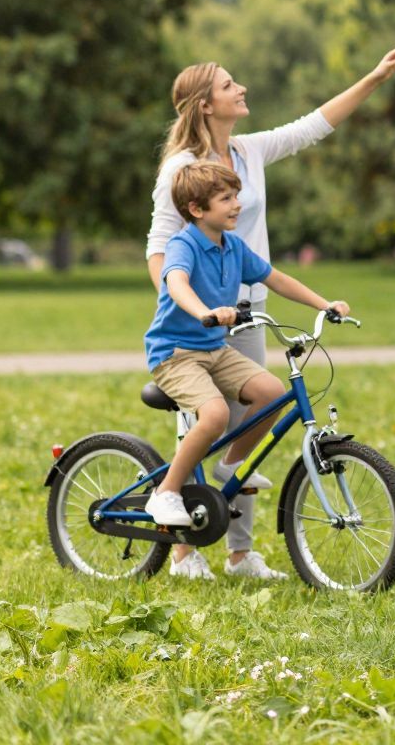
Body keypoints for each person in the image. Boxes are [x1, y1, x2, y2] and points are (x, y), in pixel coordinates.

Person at [146, 41, 395, 579]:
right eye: (228, 84)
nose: (240, 88)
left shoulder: (248, 151)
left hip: (250, 309)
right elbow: (159, 248)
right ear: (205, 104)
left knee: (253, 424)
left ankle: (240, 552)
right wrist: (190, 306)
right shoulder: (183, 168)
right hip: (195, 318)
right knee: (205, 418)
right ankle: (183, 550)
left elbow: (315, 124)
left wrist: (375, 76)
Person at [142, 163, 349, 555]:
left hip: (213, 349)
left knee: (271, 391)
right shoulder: (183, 245)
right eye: (227, 199)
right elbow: (176, 283)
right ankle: (167, 491)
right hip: (175, 353)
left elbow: (276, 278)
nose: (237, 205)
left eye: (236, 196)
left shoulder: (233, 246)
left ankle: (231, 465)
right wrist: (206, 310)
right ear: (197, 209)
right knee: (216, 415)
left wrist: (326, 304)